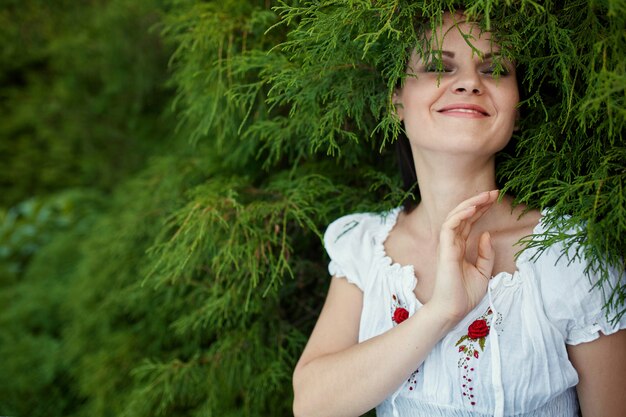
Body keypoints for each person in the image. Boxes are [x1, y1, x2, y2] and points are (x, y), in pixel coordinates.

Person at [292, 11, 626, 417]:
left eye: (495, 70)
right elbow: (311, 404)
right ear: (396, 100)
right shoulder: (367, 249)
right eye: (438, 66)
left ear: (516, 108)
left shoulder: (568, 255)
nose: (470, 82)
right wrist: (441, 312)